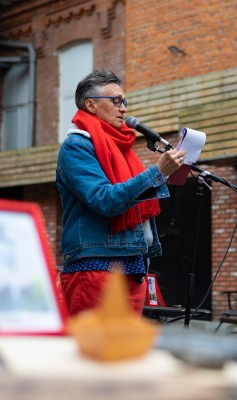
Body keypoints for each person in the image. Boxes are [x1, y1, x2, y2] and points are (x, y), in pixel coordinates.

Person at [56, 69, 187, 316]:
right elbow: (105, 199)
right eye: (116, 101)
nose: (124, 109)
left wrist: (163, 174)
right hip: (95, 266)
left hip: (133, 265)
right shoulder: (76, 146)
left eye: (124, 101)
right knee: (93, 341)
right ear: (91, 105)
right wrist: (157, 172)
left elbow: (131, 195)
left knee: (126, 342)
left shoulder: (120, 148)